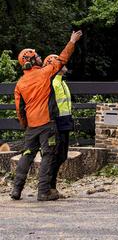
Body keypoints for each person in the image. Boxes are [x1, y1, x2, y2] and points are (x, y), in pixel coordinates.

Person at [11, 30, 83, 201]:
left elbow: (19, 108)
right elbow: (62, 59)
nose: (39, 57)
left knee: (27, 155)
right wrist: (72, 41)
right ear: (31, 60)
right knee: (48, 155)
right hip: (46, 124)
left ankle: (16, 189)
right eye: (36, 56)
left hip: (31, 126)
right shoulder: (44, 74)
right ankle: (43, 191)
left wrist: (25, 124)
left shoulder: (20, 83)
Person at [43, 54, 73, 195]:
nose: (64, 64)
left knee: (62, 156)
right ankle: (49, 187)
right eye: (61, 63)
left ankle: (51, 186)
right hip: (57, 123)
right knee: (55, 156)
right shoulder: (53, 83)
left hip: (65, 121)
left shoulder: (61, 81)